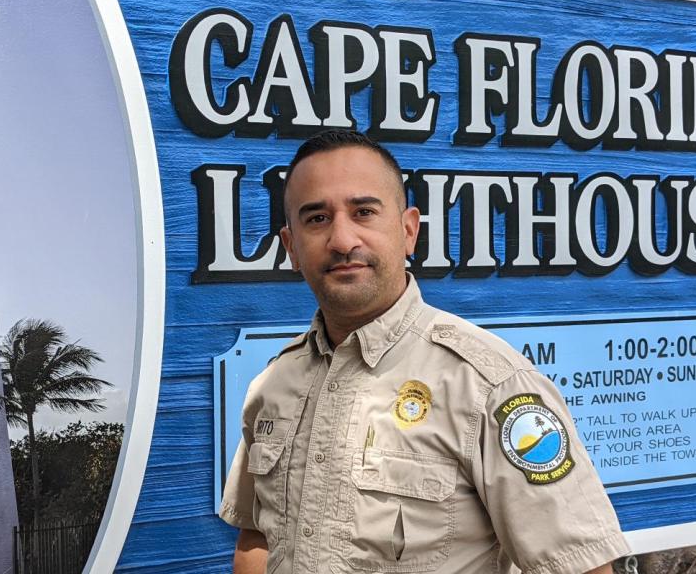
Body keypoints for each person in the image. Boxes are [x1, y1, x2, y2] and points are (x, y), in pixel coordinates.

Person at [218, 129, 629, 574]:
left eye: (364, 212)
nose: (341, 239)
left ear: (408, 230)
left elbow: (582, 568)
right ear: (292, 246)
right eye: (316, 218)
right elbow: (257, 538)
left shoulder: (490, 386)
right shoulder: (274, 384)